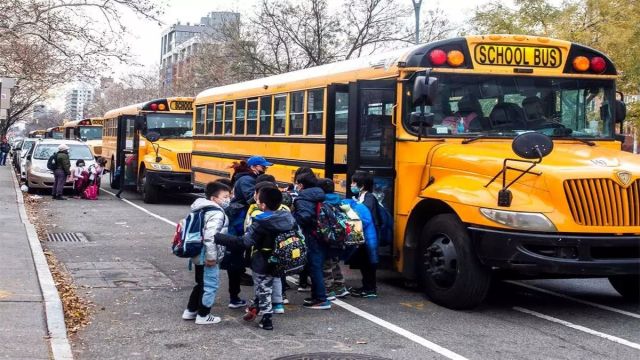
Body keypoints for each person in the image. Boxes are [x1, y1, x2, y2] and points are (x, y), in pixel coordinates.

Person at [215, 187, 296, 331]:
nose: (256, 201)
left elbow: (244, 242)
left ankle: (267, 320)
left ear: (263, 205)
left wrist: (218, 237)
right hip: (281, 259)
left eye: (258, 199)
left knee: (263, 287)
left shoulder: (261, 222)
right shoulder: (287, 218)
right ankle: (255, 307)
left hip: (262, 261)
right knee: (267, 285)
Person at [223, 155, 273, 309]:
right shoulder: (246, 180)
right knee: (237, 253)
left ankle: (239, 280)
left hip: (243, 220)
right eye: (262, 166)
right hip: (239, 221)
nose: (265, 168)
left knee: (240, 254)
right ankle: (234, 295)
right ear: (253, 167)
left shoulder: (248, 178)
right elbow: (252, 199)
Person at [183, 181, 232, 325]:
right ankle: (203, 315)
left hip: (197, 252)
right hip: (208, 254)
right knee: (210, 284)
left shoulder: (200, 208)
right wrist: (212, 257)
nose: (228, 199)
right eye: (225, 196)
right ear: (213, 198)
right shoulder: (216, 213)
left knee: (200, 283)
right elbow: (211, 237)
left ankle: (191, 310)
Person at [293, 173, 330, 310]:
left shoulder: (303, 197)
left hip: (311, 235)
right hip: (322, 233)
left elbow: (305, 216)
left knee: (314, 267)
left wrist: (293, 217)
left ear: (301, 185)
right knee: (316, 266)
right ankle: (316, 296)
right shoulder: (320, 193)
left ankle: (321, 299)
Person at [348, 171, 380, 298]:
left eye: (354, 183)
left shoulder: (369, 198)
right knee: (363, 261)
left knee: (368, 261)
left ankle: (370, 288)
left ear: (362, 185)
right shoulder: (362, 197)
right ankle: (366, 287)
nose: (351, 185)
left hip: (369, 234)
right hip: (363, 233)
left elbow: (365, 216)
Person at [316, 178, 350, 300]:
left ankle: (329, 290)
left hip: (328, 238)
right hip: (340, 237)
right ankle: (340, 287)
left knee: (326, 265)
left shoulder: (322, 202)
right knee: (335, 263)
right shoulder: (339, 200)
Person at [291, 167, 316, 292]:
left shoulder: (302, 197)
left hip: (303, 229)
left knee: (302, 252)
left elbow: (303, 216)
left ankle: (303, 281)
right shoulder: (317, 193)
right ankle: (304, 281)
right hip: (314, 231)